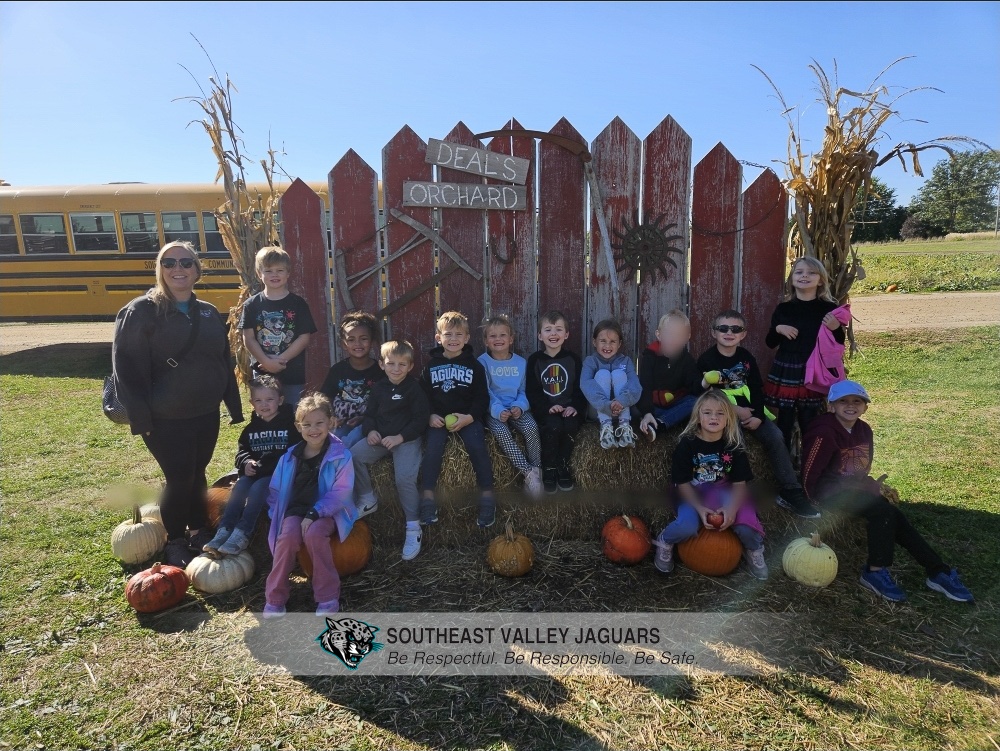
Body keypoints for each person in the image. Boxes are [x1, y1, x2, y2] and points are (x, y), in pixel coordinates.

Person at [112, 240, 244, 568]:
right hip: (164, 417)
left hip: (204, 412)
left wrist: (233, 404)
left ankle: (198, 529)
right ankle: (174, 539)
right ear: (160, 270)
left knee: (197, 472)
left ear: (197, 270)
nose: (178, 269)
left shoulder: (208, 312)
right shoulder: (141, 311)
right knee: (179, 476)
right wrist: (141, 418)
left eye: (186, 263)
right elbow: (124, 367)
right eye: (169, 263)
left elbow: (222, 360)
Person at [802, 380, 974, 603]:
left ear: (865, 406)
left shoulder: (864, 430)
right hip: (827, 492)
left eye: (857, 401)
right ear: (831, 406)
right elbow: (809, 468)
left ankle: (937, 571)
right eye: (842, 401)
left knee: (894, 515)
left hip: (852, 490)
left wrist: (872, 486)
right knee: (882, 512)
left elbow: (860, 470)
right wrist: (809, 501)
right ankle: (874, 572)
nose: (850, 405)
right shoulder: (823, 431)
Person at [696, 309, 819, 519]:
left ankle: (790, 490)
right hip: (723, 415)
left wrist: (758, 417)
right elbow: (704, 395)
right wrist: (734, 411)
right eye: (723, 328)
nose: (729, 332)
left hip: (752, 412)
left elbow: (756, 388)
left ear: (743, 334)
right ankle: (735, 492)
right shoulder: (707, 360)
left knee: (776, 436)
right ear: (713, 332)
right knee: (736, 443)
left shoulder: (746, 358)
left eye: (735, 329)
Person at [652, 390, 768, 579]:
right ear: (698, 417)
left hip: (726, 491)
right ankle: (665, 540)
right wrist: (699, 509)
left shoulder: (733, 446)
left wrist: (731, 510)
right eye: (707, 412)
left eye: (720, 413)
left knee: (746, 527)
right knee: (687, 526)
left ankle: (754, 549)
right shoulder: (687, 445)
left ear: (728, 418)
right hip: (695, 493)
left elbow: (740, 485)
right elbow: (682, 483)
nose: (714, 417)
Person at [263, 393, 356, 618]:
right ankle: (275, 597)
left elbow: (341, 493)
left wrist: (316, 512)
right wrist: (277, 515)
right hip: (296, 510)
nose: (313, 429)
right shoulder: (289, 457)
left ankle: (327, 596)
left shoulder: (340, 455)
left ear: (331, 423)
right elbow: (275, 491)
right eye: (307, 425)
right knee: (287, 538)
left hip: (327, 512)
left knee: (314, 534)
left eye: (319, 423)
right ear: (298, 426)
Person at [351, 340, 430, 560]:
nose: (396, 369)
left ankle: (413, 526)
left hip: (405, 440)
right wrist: (371, 431)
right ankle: (368, 499)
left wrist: (400, 437)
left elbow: (420, 419)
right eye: (391, 363)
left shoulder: (414, 389)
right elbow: (370, 415)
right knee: (353, 456)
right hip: (381, 439)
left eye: (402, 364)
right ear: (382, 365)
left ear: (410, 366)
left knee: (403, 479)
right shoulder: (378, 388)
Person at [203, 375, 297, 557]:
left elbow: (293, 453)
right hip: (254, 473)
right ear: (252, 403)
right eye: (259, 400)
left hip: (277, 475)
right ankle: (224, 529)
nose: (264, 404)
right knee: (240, 487)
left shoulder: (290, 427)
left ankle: (243, 533)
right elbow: (242, 452)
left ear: (281, 400)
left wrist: (267, 464)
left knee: (258, 489)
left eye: (270, 399)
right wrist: (246, 463)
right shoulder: (250, 430)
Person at [420, 311, 496, 527]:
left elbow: (482, 397)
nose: (453, 339)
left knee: (477, 447)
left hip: (467, 417)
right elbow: (422, 396)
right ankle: (427, 498)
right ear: (438, 338)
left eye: (458, 334)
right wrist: (430, 415)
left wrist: (470, 417)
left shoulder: (475, 366)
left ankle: (488, 497)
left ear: (467, 338)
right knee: (433, 449)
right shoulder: (430, 366)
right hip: (439, 420)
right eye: (448, 334)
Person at [764, 256, 846, 450]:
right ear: (792, 279)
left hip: (814, 368)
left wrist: (835, 328)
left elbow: (839, 343)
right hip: (788, 369)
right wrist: (778, 329)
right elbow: (769, 343)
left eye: (811, 273)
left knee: (809, 419)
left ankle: (809, 465)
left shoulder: (828, 309)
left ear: (821, 280)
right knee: (784, 419)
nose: (804, 276)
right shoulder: (784, 309)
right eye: (799, 272)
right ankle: (783, 466)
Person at [239, 246, 317, 407]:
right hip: (262, 371)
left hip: (291, 371)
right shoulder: (251, 305)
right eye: (268, 271)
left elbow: (304, 337)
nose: (274, 274)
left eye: (280, 270)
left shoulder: (298, 304)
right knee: (266, 412)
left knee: (293, 412)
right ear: (259, 274)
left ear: (288, 273)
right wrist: (266, 362)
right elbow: (249, 338)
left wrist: (281, 360)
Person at [478, 314, 543, 498]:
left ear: (511, 339)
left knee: (531, 427)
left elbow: (525, 390)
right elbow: (485, 391)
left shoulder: (521, 363)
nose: (498, 339)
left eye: (502, 335)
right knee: (501, 432)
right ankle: (527, 472)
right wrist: (498, 410)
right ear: (485, 341)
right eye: (492, 336)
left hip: (517, 408)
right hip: (494, 410)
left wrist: (520, 407)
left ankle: (537, 470)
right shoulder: (482, 362)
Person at [526, 310, 586, 494]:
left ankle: (563, 466)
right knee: (553, 427)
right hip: (546, 410)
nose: (553, 334)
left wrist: (574, 407)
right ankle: (549, 469)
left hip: (568, 409)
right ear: (540, 335)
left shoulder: (573, 359)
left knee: (569, 426)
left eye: (559, 329)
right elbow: (533, 391)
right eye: (548, 330)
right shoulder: (535, 360)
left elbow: (579, 388)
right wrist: (547, 407)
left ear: (566, 334)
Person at [320, 311, 385, 449]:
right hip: (342, 422)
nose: (358, 343)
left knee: (348, 442)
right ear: (344, 344)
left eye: (363, 338)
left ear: (372, 341)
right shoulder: (338, 370)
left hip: (368, 423)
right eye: (351, 339)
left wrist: (364, 418)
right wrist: (331, 418)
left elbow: (385, 404)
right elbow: (324, 398)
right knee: (331, 441)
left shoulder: (381, 371)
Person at [637, 309, 703, 442]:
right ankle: (653, 419)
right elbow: (645, 385)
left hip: (675, 405)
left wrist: (704, 383)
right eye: (669, 334)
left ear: (687, 337)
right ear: (659, 335)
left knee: (695, 402)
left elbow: (693, 385)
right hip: (653, 405)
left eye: (679, 336)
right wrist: (647, 411)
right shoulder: (650, 357)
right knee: (633, 404)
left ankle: (660, 424)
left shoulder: (687, 360)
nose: (674, 340)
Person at [580, 318, 642, 449]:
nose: (607, 346)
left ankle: (625, 428)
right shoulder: (590, 361)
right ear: (594, 342)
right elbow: (585, 384)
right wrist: (606, 405)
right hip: (598, 410)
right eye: (603, 341)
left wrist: (621, 401)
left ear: (619, 344)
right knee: (602, 374)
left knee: (619, 374)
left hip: (623, 408)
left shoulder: (625, 361)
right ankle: (606, 429)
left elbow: (635, 385)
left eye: (612, 341)